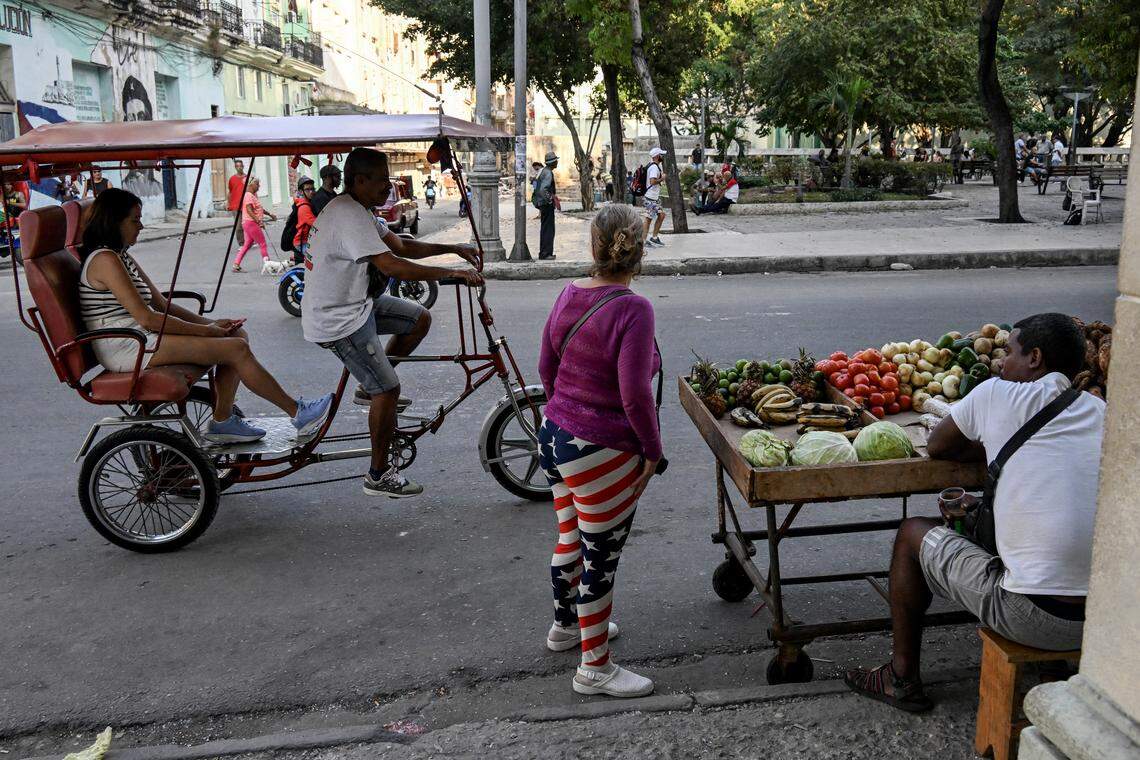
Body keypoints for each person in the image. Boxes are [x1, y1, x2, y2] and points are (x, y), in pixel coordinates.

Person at [845, 313, 1103, 712]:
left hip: (1032, 616)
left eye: (1011, 353)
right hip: (1107, 620)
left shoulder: (997, 394)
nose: (1002, 363)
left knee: (912, 533)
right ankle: (1051, 665)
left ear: (1034, 358)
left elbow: (939, 446)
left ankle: (900, 678)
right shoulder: (1101, 412)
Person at [77, 188, 333, 443]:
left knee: (236, 335)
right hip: (128, 345)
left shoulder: (121, 256)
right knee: (236, 349)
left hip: (141, 338)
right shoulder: (105, 260)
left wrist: (210, 324)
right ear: (114, 222)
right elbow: (148, 318)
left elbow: (160, 303)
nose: (141, 226)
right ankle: (297, 412)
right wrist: (206, 331)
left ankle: (223, 421)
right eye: (134, 220)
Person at [301, 147, 483, 498]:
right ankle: (378, 472)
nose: (388, 185)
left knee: (419, 318)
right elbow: (392, 266)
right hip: (338, 320)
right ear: (359, 180)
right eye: (382, 180)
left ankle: (368, 387)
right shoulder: (348, 216)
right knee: (389, 388)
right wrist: (452, 274)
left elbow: (400, 246)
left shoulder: (361, 211)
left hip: (358, 304)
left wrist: (453, 248)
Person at [538, 203, 662, 698]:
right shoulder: (634, 308)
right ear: (638, 249)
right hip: (601, 450)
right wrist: (652, 451)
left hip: (554, 437)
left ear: (595, 246)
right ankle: (595, 668)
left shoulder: (569, 293)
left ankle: (565, 627)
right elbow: (634, 393)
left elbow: (546, 366)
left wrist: (564, 413)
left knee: (570, 537)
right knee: (600, 557)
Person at [232, 177, 277, 272]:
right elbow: (249, 210)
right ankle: (268, 266)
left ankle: (236, 265)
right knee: (263, 244)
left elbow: (259, 209)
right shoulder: (248, 195)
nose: (259, 186)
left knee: (247, 245)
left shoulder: (253, 195)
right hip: (251, 223)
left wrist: (270, 214)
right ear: (251, 184)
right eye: (257, 184)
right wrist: (258, 221)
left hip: (247, 223)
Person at [532, 151, 558, 260]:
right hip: (546, 205)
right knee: (548, 229)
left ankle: (544, 253)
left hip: (541, 204)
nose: (557, 162)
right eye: (556, 160)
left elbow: (536, 185)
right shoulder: (548, 173)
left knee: (545, 228)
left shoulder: (543, 171)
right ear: (552, 162)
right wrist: (550, 200)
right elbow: (543, 189)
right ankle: (546, 254)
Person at [642, 147, 667, 248]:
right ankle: (643, 241)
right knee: (648, 219)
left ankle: (654, 237)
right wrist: (662, 178)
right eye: (661, 155)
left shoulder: (655, 166)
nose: (662, 157)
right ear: (657, 156)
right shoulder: (654, 168)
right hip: (650, 198)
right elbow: (652, 181)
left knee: (661, 216)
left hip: (654, 198)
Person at [292, 177, 317, 265]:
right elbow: (316, 223)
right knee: (316, 262)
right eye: (307, 189)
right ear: (301, 192)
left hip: (306, 240)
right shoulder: (304, 207)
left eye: (312, 189)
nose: (311, 192)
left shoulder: (308, 203)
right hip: (302, 242)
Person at [226, 160, 247, 246]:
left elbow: (252, 191)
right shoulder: (232, 179)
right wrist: (228, 203)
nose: (239, 168)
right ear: (235, 167)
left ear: (243, 166)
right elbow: (230, 192)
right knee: (239, 226)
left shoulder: (247, 178)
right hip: (235, 206)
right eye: (237, 166)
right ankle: (241, 244)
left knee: (248, 225)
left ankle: (250, 241)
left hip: (246, 205)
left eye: (240, 166)